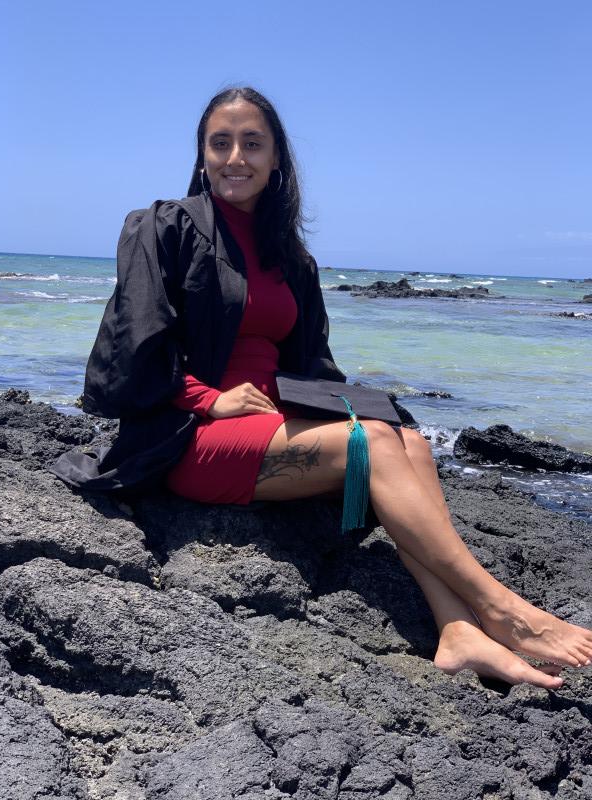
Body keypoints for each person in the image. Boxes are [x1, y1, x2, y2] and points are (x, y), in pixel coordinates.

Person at [50, 86, 592, 689]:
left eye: (252, 143)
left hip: (268, 428)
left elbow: (312, 368)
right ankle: (505, 610)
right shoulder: (163, 226)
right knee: (377, 445)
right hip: (189, 436)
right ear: (201, 154)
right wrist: (208, 398)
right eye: (220, 143)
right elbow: (135, 339)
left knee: (406, 441)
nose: (236, 158)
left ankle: (457, 632)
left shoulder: (292, 259)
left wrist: (354, 408)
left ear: (277, 157)